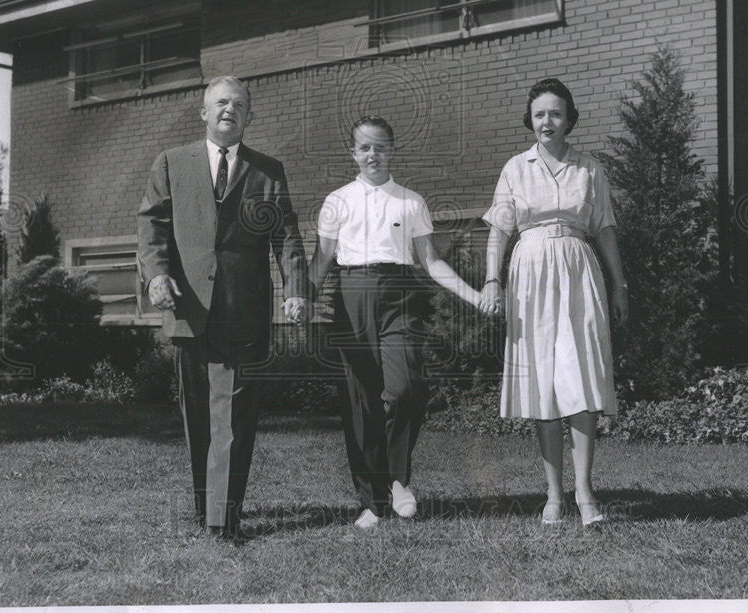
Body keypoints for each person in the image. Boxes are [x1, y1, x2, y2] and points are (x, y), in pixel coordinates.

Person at [137, 75, 309, 540]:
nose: (228, 110)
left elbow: (286, 236)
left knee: (232, 417)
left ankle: (222, 519)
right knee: (197, 416)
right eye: (220, 103)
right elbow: (151, 227)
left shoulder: (268, 171)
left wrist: (295, 288)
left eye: (238, 105)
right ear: (204, 112)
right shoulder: (172, 163)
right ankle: (205, 507)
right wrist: (155, 275)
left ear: (248, 117)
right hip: (189, 308)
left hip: (243, 311)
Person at [308, 116, 481, 529]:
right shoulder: (337, 201)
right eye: (365, 147)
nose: (373, 154)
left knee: (405, 389)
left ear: (392, 150)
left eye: (381, 146)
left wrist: (474, 296)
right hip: (351, 297)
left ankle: (398, 478)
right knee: (360, 402)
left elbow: (431, 261)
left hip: (400, 295)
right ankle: (374, 501)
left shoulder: (410, 202)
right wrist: (299, 297)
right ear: (353, 152)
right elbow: (322, 261)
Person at [478, 78, 628, 527]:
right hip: (530, 274)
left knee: (581, 379)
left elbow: (604, 227)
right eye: (540, 114)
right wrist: (491, 279)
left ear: (569, 119)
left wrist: (620, 284)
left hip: (579, 271)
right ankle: (553, 496)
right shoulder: (515, 168)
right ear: (531, 119)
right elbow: (499, 231)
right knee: (544, 382)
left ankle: (584, 492)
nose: (548, 121)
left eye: (556, 113)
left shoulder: (589, 168)